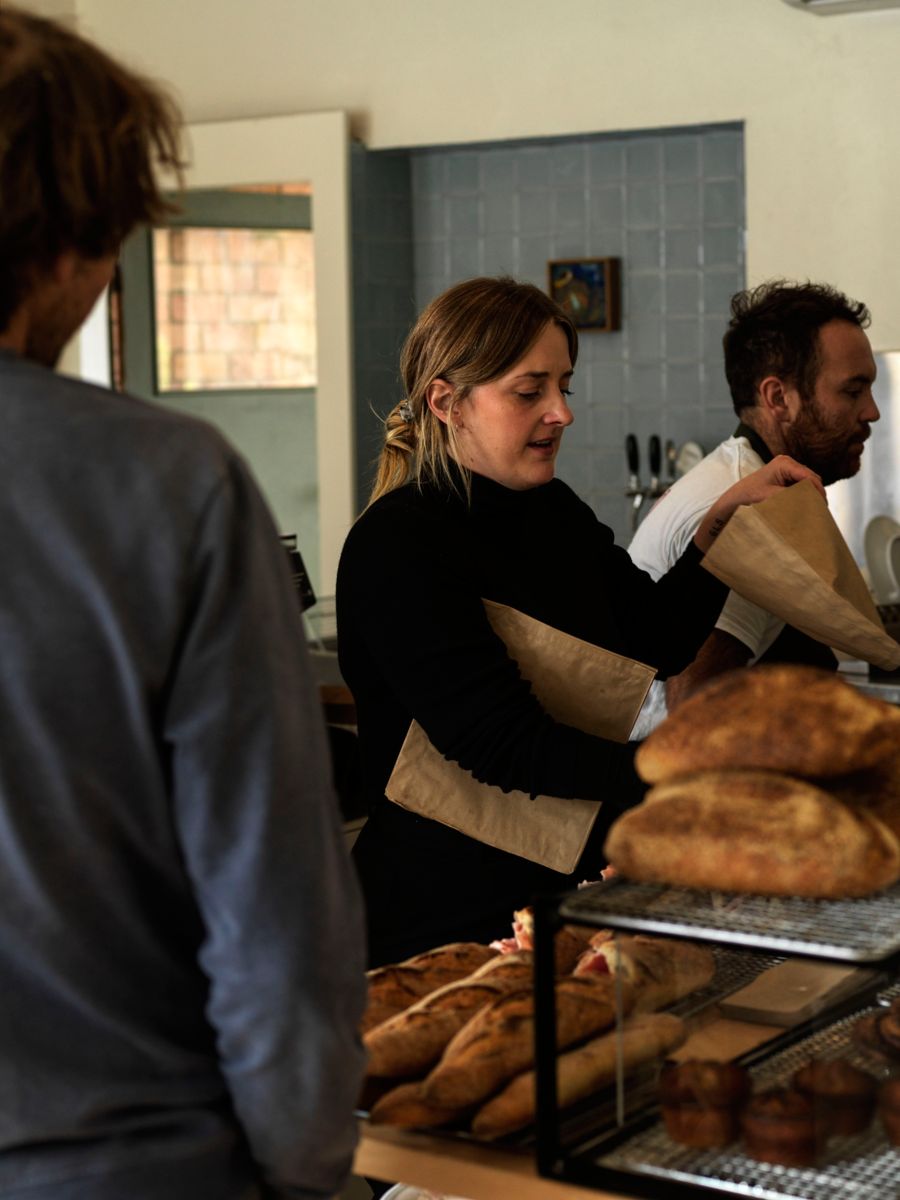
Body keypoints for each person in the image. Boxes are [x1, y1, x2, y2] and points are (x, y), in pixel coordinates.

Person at [0, 9, 366, 1199]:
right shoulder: (167, 486)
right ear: (68, 246)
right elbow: (273, 914)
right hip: (123, 1164)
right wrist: (307, 1171)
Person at [336, 275, 822, 968]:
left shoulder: (552, 511)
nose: (562, 412)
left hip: (563, 891)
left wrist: (718, 533)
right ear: (448, 402)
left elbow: (655, 639)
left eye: (566, 385)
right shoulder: (399, 544)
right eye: (530, 391)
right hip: (440, 918)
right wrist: (691, 775)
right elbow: (504, 745)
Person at [628, 280, 878, 739]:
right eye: (853, 391)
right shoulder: (745, 507)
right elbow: (697, 716)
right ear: (778, 398)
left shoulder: (759, 480)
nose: (873, 412)